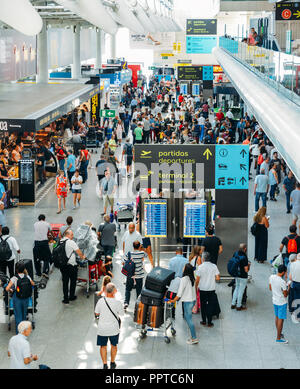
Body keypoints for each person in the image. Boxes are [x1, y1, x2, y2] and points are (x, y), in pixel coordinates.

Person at [94, 283, 123, 369]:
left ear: (105, 291)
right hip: (114, 328)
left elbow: (96, 313)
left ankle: (105, 364)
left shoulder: (100, 301)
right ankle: (113, 362)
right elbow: (122, 313)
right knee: (114, 345)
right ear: (114, 291)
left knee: (103, 346)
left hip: (102, 328)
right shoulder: (118, 302)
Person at [169, 263, 198, 345]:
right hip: (193, 300)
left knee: (189, 320)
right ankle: (193, 337)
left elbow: (179, 294)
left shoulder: (184, 279)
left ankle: (194, 338)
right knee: (188, 318)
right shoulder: (192, 278)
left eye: (184, 267)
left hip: (188, 301)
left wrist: (173, 300)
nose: (182, 268)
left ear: (186, 270)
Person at [5, 261, 35, 333]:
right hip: (26, 298)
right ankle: (24, 332)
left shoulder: (14, 278)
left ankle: (19, 333)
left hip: (17, 299)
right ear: (24, 269)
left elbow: (7, 288)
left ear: (16, 270)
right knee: (24, 315)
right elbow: (33, 284)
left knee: (18, 316)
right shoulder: (27, 276)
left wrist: (12, 290)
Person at [60, 229, 86, 304]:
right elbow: (79, 252)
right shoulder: (71, 242)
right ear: (67, 235)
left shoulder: (61, 241)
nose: (73, 236)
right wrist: (83, 257)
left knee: (65, 282)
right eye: (72, 235)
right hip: (71, 265)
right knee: (73, 281)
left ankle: (65, 299)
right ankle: (71, 296)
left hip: (63, 265)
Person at [195, 251, 220, 327]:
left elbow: (197, 279)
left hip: (202, 289)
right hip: (211, 289)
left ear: (203, 259)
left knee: (203, 305)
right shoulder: (214, 266)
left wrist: (196, 287)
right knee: (210, 305)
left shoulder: (200, 267)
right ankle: (209, 322)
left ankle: (203, 320)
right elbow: (218, 278)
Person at [124, 241, 147, 309]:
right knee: (139, 291)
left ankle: (126, 303)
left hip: (130, 275)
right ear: (139, 246)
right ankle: (138, 304)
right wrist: (142, 248)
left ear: (133, 246)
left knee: (128, 289)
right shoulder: (142, 253)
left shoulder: (129, 254)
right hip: (139, 276)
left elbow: (125, 261)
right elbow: (147, 254)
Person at [269, 264, 289, 344]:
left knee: (277, 317)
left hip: (274, 300)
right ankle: (278, 337)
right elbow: (285, 294)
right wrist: (289, 288)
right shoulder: (282, 282)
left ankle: (279, 333)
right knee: (281, 319)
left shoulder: (271, 277)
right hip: (282, 302)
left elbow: (270, 288)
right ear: (283, 272)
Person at [231, 244, 250, 311]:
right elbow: (246, 270)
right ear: (244, 249)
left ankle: (233, 304)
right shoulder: (244, 257)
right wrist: (249, 265)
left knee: (237, 288)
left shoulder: (235, 253)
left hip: (236, 274)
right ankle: (239, 306)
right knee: (241, 291)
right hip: (243, 276)